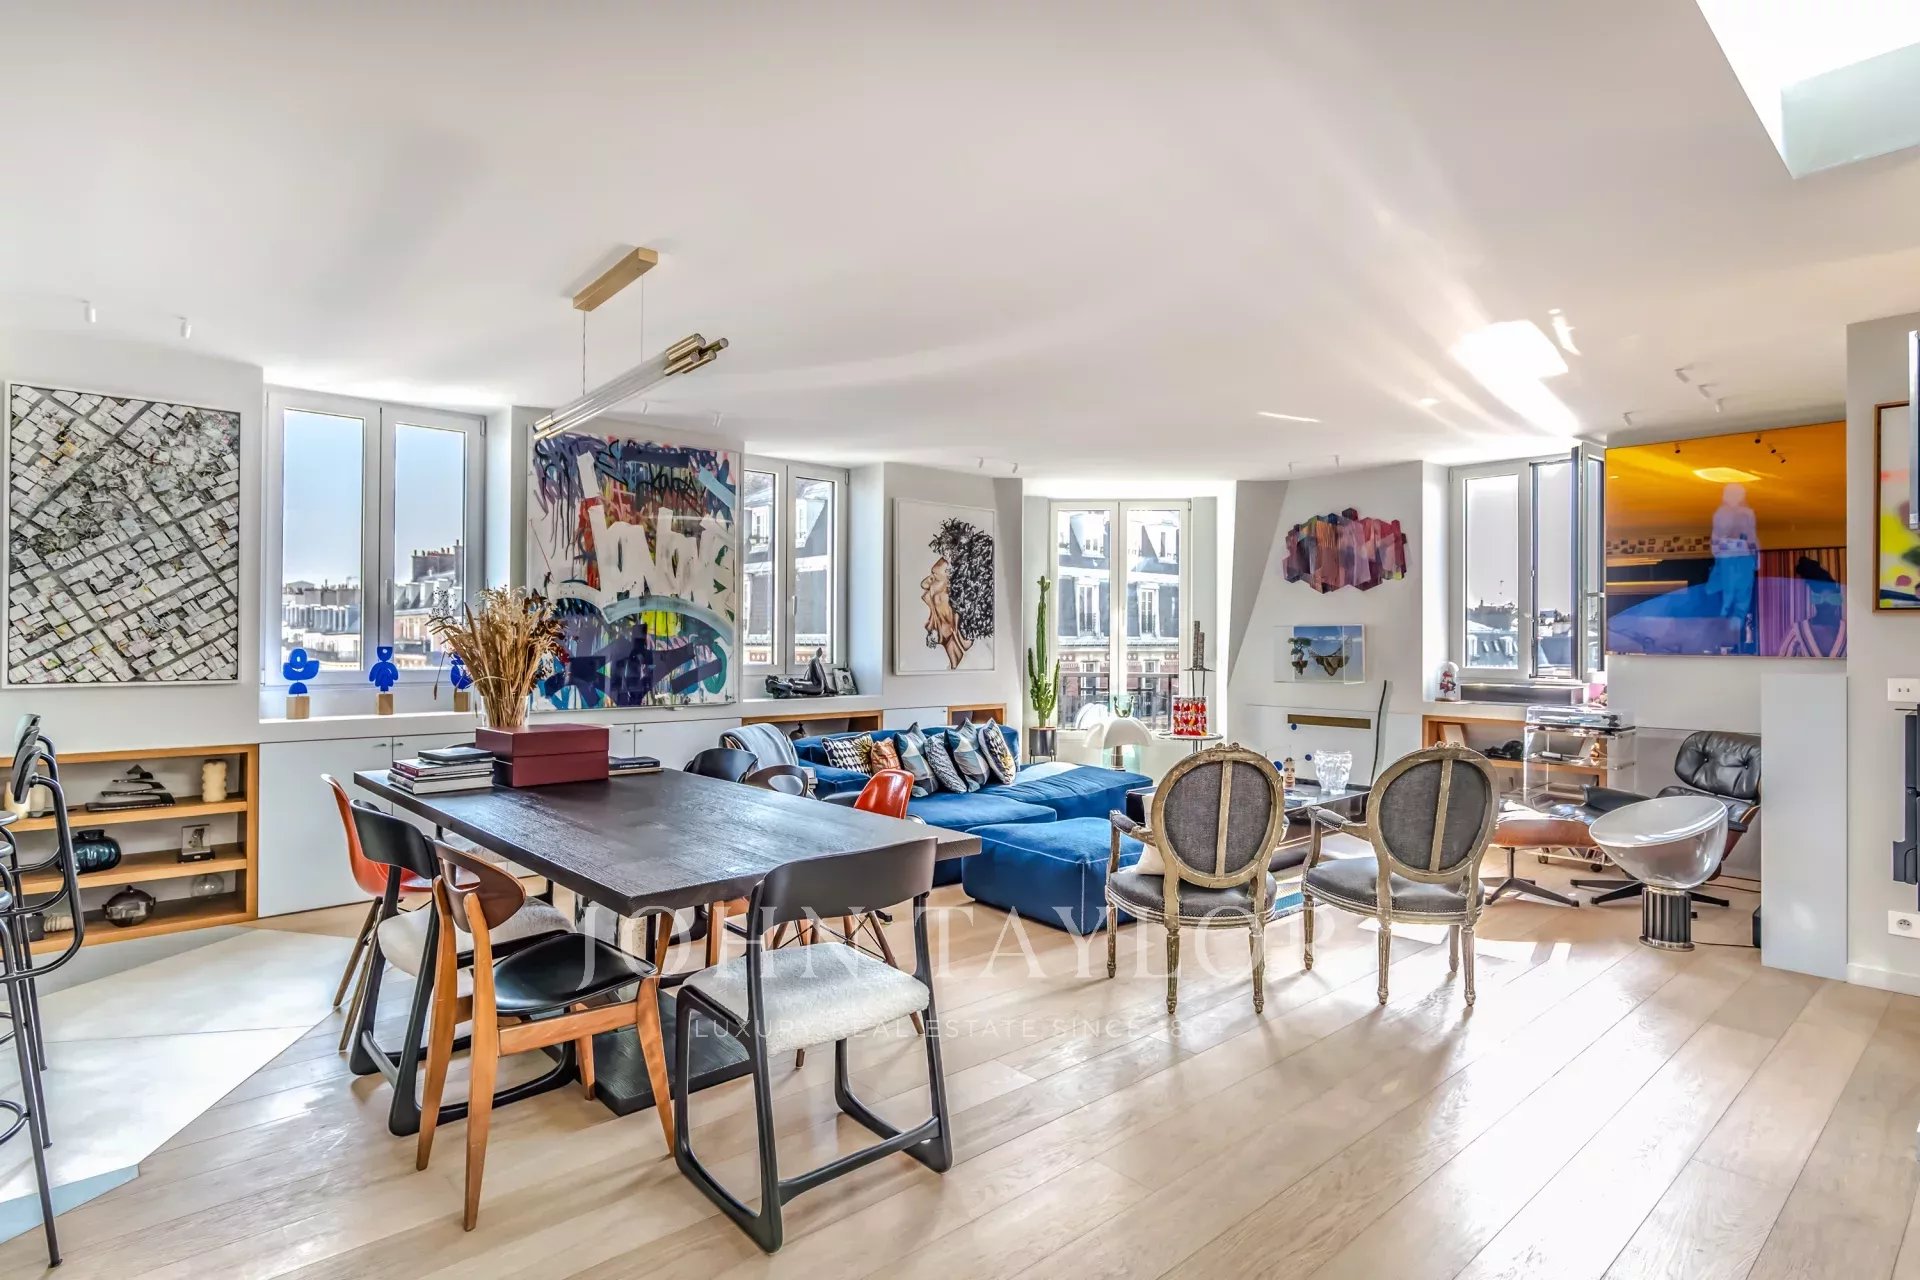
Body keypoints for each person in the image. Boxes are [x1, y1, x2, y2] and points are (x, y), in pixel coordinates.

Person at [922, 518, 994, 669]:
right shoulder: (962, 667)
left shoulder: (980, 663)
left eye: (934, 578)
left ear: (958, 598)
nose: (925, 585)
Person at [1705, 483, 1759, 651]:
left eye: (1738, 494)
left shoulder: (1748, 513)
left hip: (1743, 559)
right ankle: (1723, 632)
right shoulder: (1721, 513)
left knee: (1741, 598)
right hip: (1729, 558)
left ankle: (1732, 633)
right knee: (1728, 597)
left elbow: (1752, 536)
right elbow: (1716, 537)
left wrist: (1755, 559)